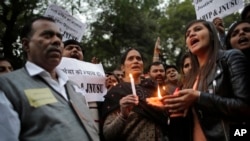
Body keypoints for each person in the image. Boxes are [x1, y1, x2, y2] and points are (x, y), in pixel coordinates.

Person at [0, 16, 99, 141]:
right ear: (26, 44)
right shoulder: (7, 86)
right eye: (47, 36)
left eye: (59, 37)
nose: (57, 41)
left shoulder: (75, 88)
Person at [162, 20, 250, 141]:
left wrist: (199, 97)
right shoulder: (190, 79)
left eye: (198, 29)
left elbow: (244, 107)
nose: (191, 34)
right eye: (188, 34)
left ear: (212, 35)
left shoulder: (231, 58)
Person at [102, 48, 169, 141]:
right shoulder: (116, 92)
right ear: (122, 67)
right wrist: (122, 115)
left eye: (138, 58)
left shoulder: (153, 88)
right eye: (131, 59)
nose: (136, 61)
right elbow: (108, 134)